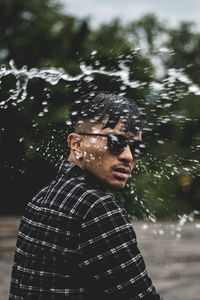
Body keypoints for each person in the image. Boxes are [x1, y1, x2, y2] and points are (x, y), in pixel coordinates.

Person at [9, 92, 162, 299]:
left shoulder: (41, 199)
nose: (128, 156)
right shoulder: (97, 208)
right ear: (76, 144)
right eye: (115, 142)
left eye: (137, 147)